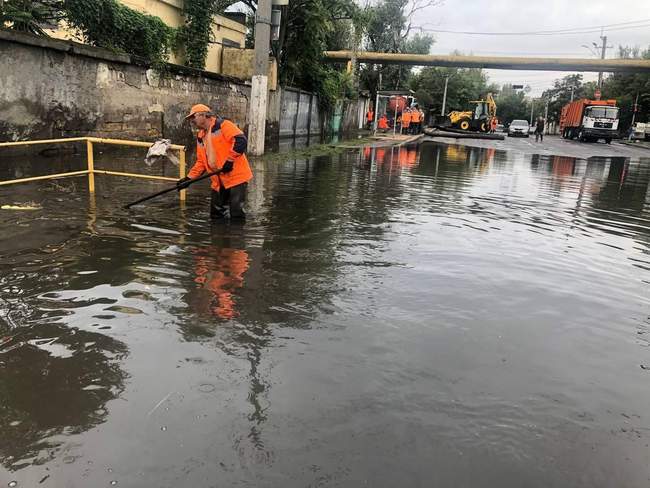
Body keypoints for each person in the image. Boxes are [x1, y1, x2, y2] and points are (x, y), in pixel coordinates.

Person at [177, 104, 253, 220]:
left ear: (203, 115)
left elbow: (241, 140)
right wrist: (188, 179)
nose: (192, 121)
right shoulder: (201, 135)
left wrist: (229, 161)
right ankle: (218, 235)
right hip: (218, 179)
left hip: (236, 176)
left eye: (194, 117)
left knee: (236, 213)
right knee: (216, 214)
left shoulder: (223, 125)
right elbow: (201, 162)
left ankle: (237, 236)